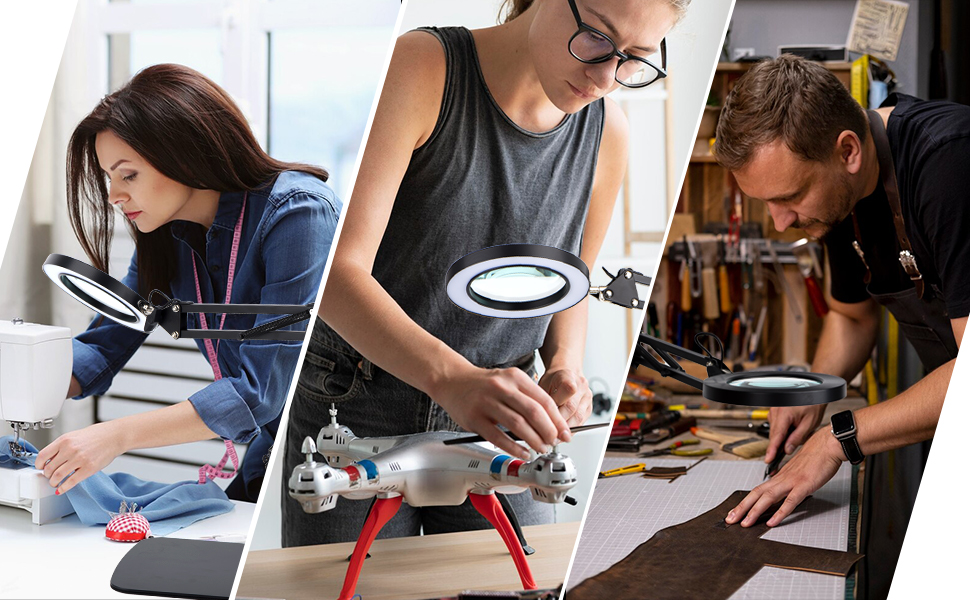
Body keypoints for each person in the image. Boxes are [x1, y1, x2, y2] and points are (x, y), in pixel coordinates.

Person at [283, 0, 688, 546]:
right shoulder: (424, 67)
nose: (604, 77)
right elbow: (336, 274)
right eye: (596, 36)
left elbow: (572, 280)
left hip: (503, 416)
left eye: (635, 58)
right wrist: (452, 380)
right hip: (361, 400)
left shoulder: (606, 130)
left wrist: (565, 365)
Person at [712, 55, 968, 598]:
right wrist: (814, 389)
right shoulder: (837, 199)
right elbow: (851, 317)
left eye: (788, 198)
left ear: (847, 151)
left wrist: (837, 439)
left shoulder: (949, 165)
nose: (781, 223)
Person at [36, 63, 342, 502]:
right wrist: (23, 382)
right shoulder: (164, 237)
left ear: (183, 154)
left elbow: (258, 393)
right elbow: (104, 344)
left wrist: (113, 436)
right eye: (109, 178)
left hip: (329, 438)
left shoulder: (298, 214)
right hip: (275, 438)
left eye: (128, 174)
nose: (114, 196)